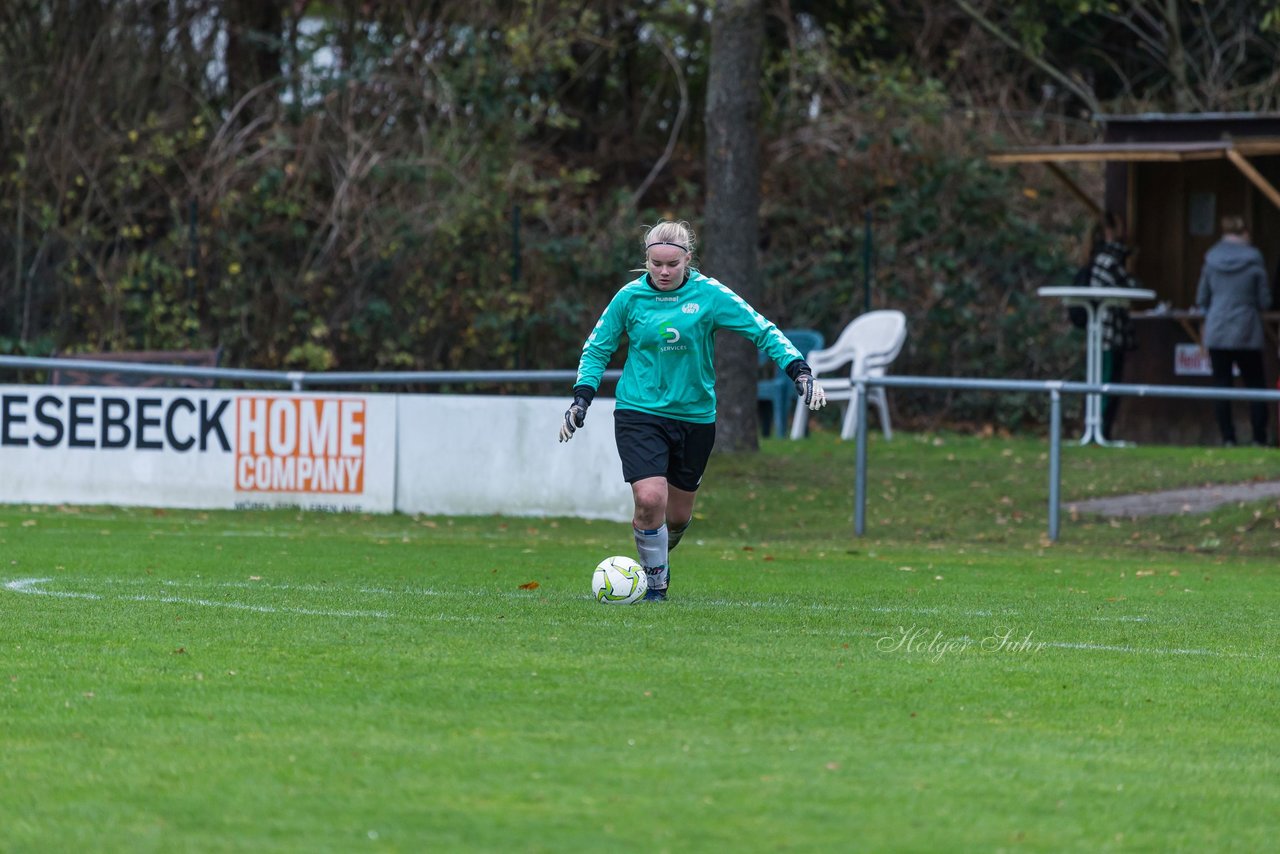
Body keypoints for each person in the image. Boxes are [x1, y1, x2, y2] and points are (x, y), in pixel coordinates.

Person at [557, 220, 827, 601]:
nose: (664, 272)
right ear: (646, 261)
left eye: (672, 264)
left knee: (678, 516)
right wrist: (581, 397)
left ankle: (656, 552)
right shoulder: (629, 298)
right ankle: (655, 589)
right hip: (640, 410)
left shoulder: (710, 295)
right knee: (650, 499)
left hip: (695, 417)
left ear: (688, 259)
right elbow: (598, 347)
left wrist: (800, 371)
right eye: (656, 263)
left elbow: (762, 330)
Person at [1195, 215, 1272, 447]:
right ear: (1245, 233)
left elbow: (1202, 298)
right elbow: (1265, 300)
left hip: (1217, 328)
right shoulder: (1254, 260)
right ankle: (1259, 438)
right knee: (1255, 384)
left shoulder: (1211, 259)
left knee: (1221, 384)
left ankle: (1228, 438)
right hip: (1247, 329)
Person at [1083, 212, 1139, 440]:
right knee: (1106, 382)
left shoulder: (1101, 258)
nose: (1124, 234)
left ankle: (1100, 431)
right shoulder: (1108, 260)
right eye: (1120, 228)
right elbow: (1131, 287)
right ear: (1109, 232)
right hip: (1107, 332)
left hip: (1105, 331)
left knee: (1108, 380)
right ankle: (1099, 430)